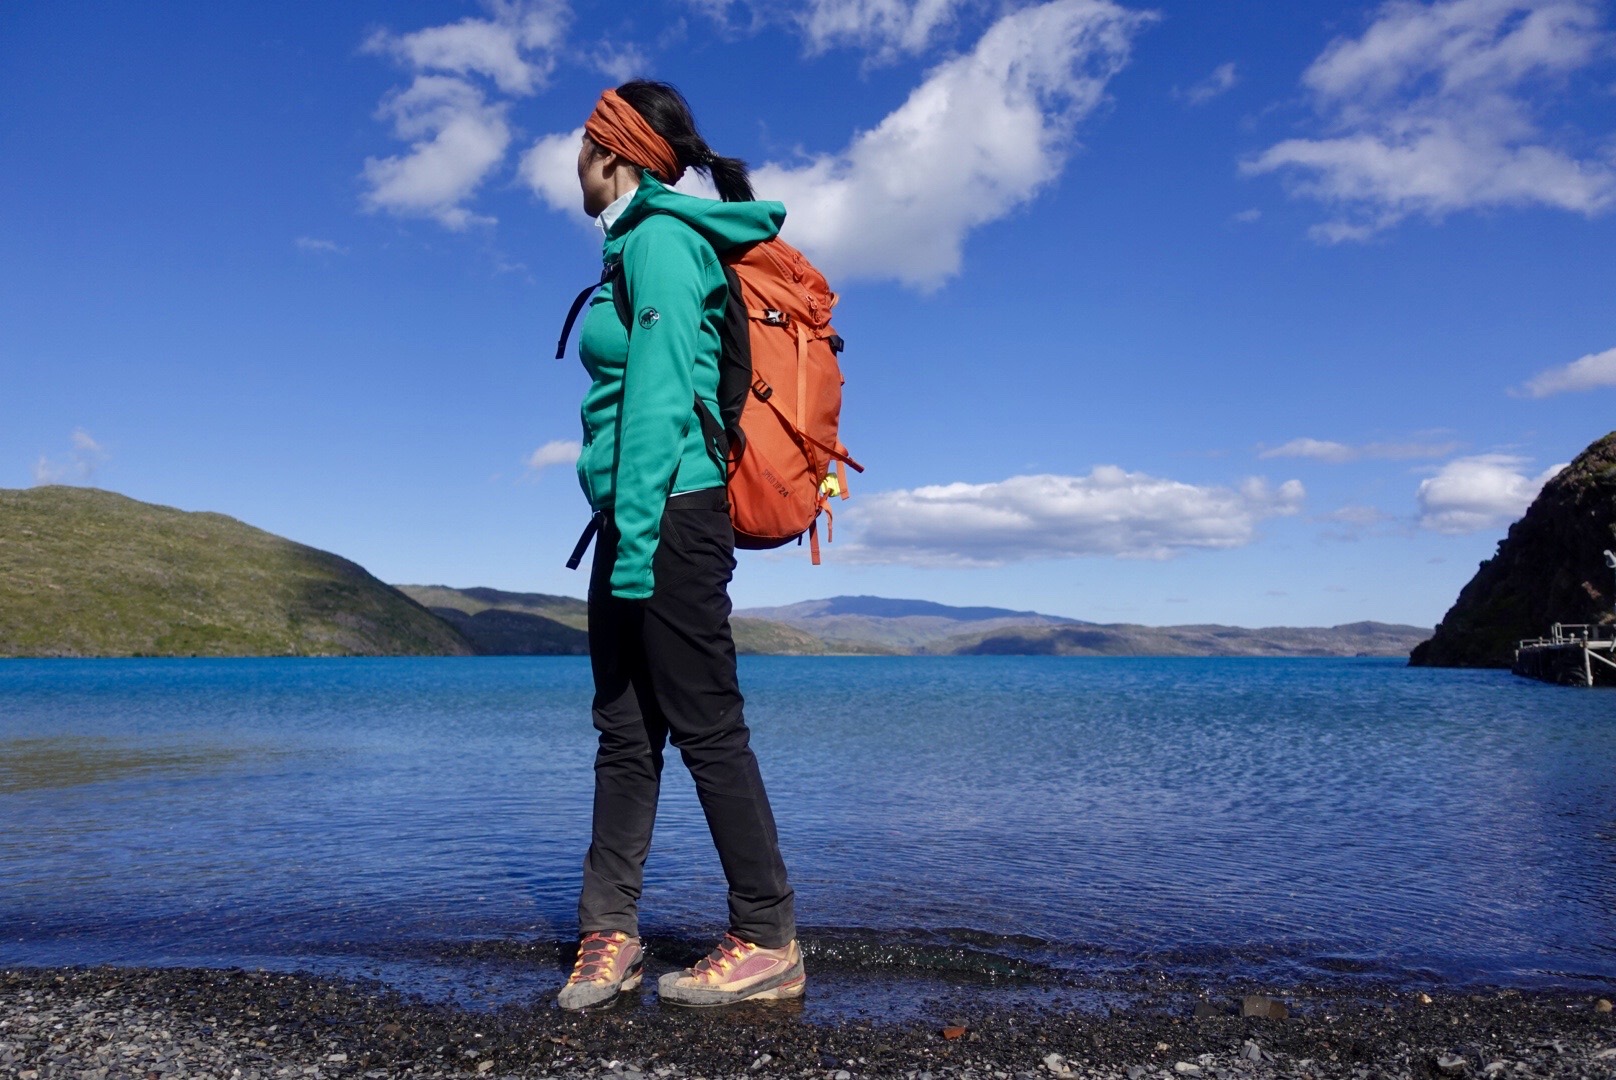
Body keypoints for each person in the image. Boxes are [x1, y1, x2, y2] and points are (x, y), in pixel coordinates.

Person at [556, 81, 803, 1011]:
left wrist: (633, 551)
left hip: (669, 520)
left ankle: (768, 936)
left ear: (612, 154)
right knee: (625, 734)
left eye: (582, 144)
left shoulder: (660, 241)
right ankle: (608, 931)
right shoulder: (632, 241)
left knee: (705, 728)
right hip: (633, 517)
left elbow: (660, 399)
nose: (573, 160)